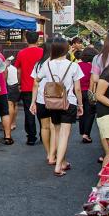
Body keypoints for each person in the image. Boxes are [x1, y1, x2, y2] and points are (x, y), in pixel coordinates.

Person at [30, 37, 84, 176]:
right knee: (64, 135)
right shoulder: (73, 65)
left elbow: (36, 81)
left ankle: (62, 161)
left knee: (58, 132)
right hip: (69, 102)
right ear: (66, 49)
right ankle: (58, 166)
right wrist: (80, 104)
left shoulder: (47, 65)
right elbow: (77, 89)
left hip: (52, 103)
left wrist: (33, 101)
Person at [14, 30, 43, 145]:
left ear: (26, 40)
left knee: (29, 112)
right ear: (38, 40)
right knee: (42, 112)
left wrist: (19, 83)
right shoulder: (43, 52)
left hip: (27, 87)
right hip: (41, 87)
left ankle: (31, 137)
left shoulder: (21, 53)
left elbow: (19, 70)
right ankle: (44, 134)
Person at [77, 47, 98, 144]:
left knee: (81, 111)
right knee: (90, 113)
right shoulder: (93, 67)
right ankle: (86, 134)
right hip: (89, 91)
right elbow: (94, 81)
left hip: (78, 91)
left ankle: (82, 131)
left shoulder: (77, 65)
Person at [5, 56, 19, 134]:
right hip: (16, 86)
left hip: (9, 87)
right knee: (15, 105)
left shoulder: (6, 69)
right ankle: (13, 123)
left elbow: (5, 79)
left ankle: (9, 124)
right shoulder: (14, 68)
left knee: (10, 105)